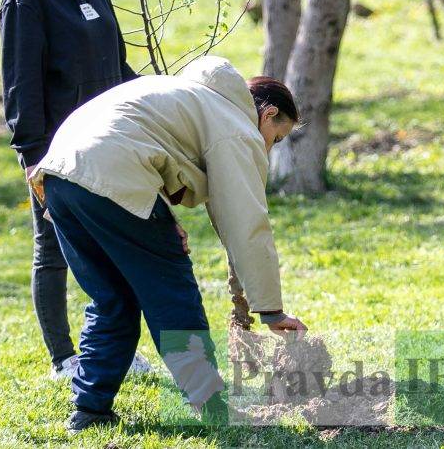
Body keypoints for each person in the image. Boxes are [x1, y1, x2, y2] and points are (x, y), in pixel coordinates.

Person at [28, 55, 308, 432]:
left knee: (113, 298)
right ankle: (211, 405)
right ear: (268, 112)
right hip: (110, 174)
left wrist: (162, 215)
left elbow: (138, 143)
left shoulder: (187, 95)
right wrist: (271, 311)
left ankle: (89, 410)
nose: (269, 149)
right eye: (276, 137)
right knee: (172, 293)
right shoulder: (236, 126)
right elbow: (245, 225)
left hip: (59, 175)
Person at [0, 0, 151, 380]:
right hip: (57, 151)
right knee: (55, 248)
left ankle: (116, 348)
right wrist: (33, 157)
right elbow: (21, 85)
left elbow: (116, 63)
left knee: (118, 244)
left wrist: (151, 102)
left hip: (109, 141)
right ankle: (65, 358)